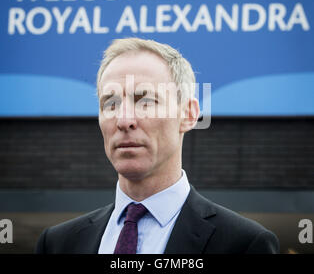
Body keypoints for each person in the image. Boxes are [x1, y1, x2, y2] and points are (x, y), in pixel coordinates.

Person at [35, 38, 279, 254]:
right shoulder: (58, 244)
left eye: (147, 101)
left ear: (189, 114)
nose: (124, 120)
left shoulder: (244, 244)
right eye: (110, 103)